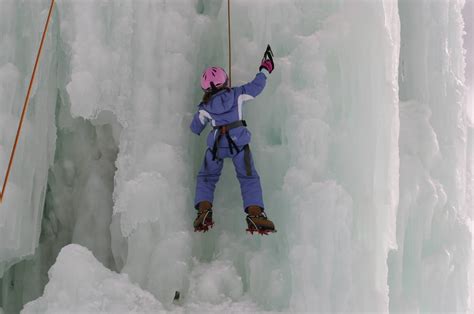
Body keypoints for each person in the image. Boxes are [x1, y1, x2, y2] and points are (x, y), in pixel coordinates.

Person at [190, 46, 276, 235]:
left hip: (216, 147)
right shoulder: (237, 94)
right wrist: (264, 69)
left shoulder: (204, 108)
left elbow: (195, 128)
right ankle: (255, 216)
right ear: (226, 81)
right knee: (248, 178)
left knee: (207, 177)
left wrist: (203, 114)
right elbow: (256, 87)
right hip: (238, 143)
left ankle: (204, 212)